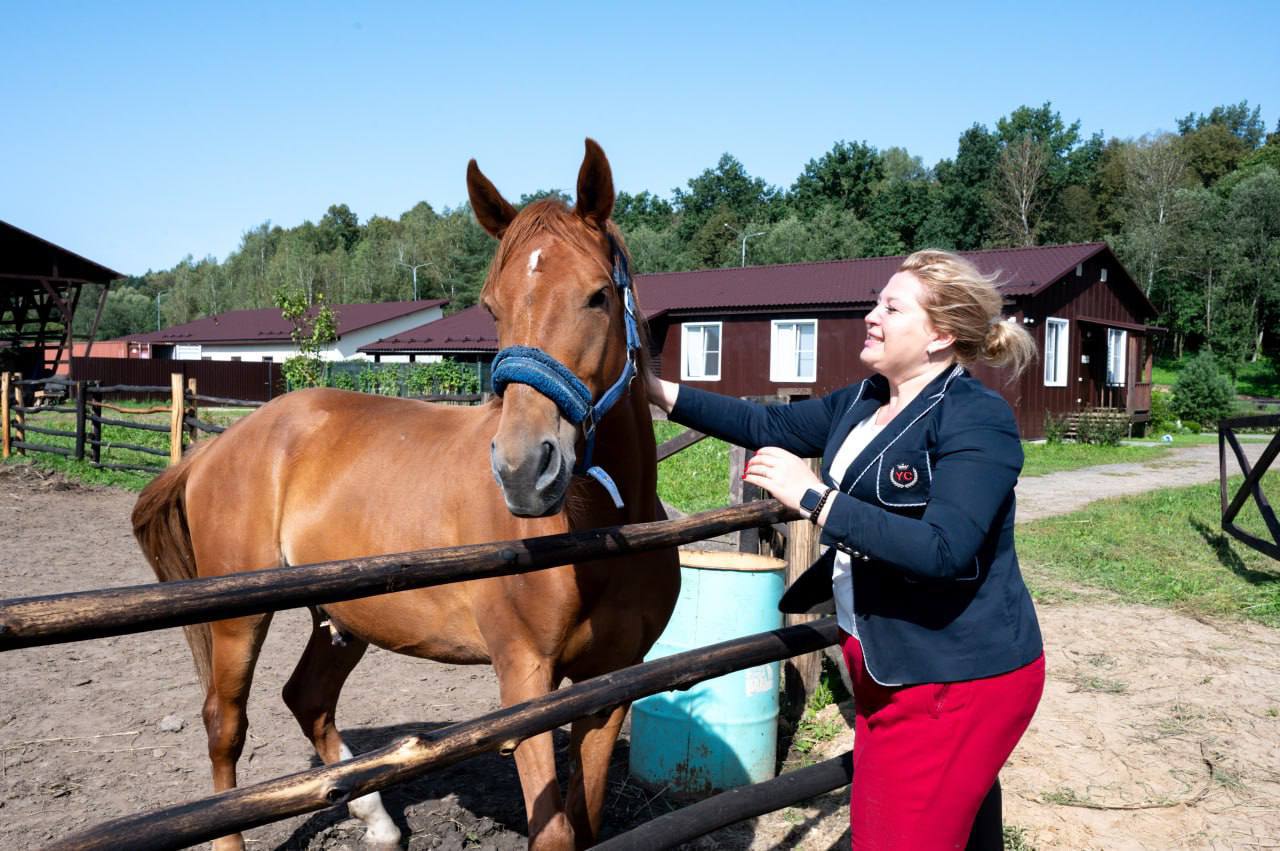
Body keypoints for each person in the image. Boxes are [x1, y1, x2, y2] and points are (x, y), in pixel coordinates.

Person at [647, 249, 1045, 850]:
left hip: (952, 679)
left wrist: (814, 498)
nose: (871, 315)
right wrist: (650, 389)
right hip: (889, 662)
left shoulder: (975, 417)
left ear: (939, 335)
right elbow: (770, 428)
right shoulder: (866, 398)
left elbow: (944, 551)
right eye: (875, 302)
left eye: (891, 306)